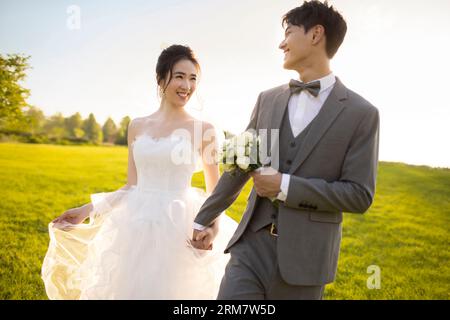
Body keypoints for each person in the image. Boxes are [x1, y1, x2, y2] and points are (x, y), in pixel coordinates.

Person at [192, 0, 380, 300]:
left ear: (316, 35)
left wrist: (286, 186)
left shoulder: (361, 113)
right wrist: (203, 218)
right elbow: (242, 163)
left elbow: (359, 194)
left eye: (289, 33)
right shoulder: (268, 99)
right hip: (249, 250)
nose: (281, 44)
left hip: (307, 259)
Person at [41, 44, 237, 300]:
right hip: (136, 225)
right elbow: (130, 187)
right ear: (160, 78)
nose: (187, 86)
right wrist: (86, 210)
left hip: (179, 225)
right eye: (179, 76)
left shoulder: (204, 129)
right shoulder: (137, 126)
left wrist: (213, 229)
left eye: (192, 79)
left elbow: (216, 191)